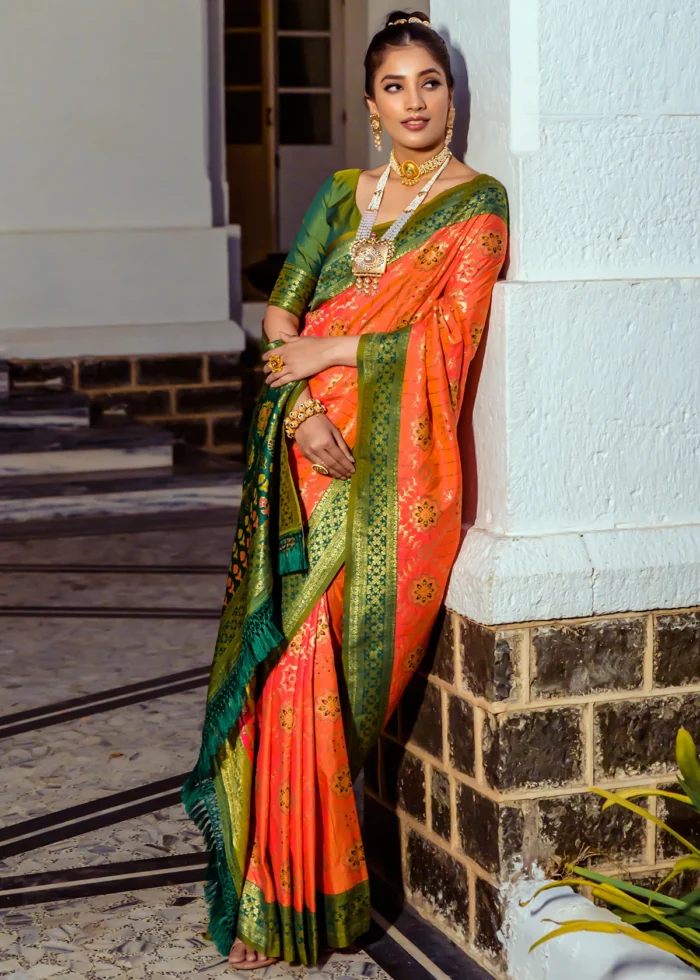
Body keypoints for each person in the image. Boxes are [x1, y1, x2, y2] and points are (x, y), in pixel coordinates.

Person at [183, 9, 508, 971]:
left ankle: (297, 895)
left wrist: (332, 349)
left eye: (431, 83)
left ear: (451, 95)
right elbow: (282, 309)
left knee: (313, 669)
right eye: (396, 87)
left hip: (394, 479)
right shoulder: (341, 196)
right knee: (285, 662)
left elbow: (450, 339)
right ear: (370, 105)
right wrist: (302, 407)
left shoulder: (477, 207)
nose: (415, 101)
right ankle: (273, 897)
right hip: (306, 446)